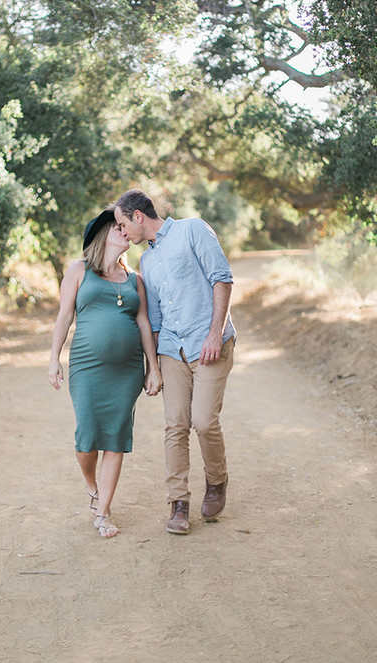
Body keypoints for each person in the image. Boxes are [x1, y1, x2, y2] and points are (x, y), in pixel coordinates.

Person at [114, 189, 236, 535]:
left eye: (123, 225)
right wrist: (153, 367)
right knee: (175, 425)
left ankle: (216, 482)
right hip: (171, 349)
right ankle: (178, 504)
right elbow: (153, 320)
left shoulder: (192, 229)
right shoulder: (146, 262)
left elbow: (222, 279)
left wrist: (215, 333)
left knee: (203, 421)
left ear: (138, 216)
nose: (123, 233)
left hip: (209, 343)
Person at [48, 208, 162, 539]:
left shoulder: (135, 280)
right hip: (87, 367)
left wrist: (153, 368)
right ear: (101, 234)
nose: (125, 232)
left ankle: (103, 512)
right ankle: (91, 485)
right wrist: (54, 358)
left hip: (127, 372)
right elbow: (64, 315)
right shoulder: (79, 270)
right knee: (87, 437)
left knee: (115, 437)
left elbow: (144, 323)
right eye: (117, 227)